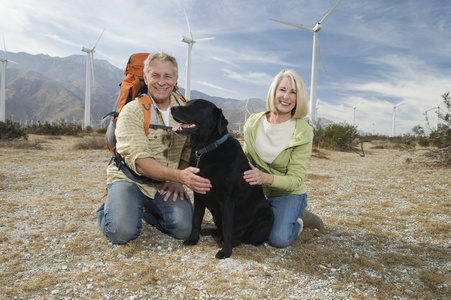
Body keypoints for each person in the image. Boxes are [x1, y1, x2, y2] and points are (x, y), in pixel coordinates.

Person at [97, 51, 212, 244]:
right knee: (121, 231)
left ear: (176, 79)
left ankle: (145, 209)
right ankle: (111, 207)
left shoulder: (185, 110)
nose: (161, 82)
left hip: (164, 184)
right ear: (146, 77)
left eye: (167, 76)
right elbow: (140, 163)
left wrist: (177, 181)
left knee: (184, 229)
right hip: (130, 179)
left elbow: (187, 151)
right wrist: (179, 176)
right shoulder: (132, 110)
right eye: (155, 75)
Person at [243, 69, 323, 248]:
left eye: (293, 92)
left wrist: (265, 178)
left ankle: (299, 219)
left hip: (287, 193)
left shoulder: (303, 132)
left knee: (277, 238)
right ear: (274, 91)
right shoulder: (253, 123)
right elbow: (244, 160)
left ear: (298, 98)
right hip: (257, 190)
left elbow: (295, 180)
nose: (286, 96)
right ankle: (279, 215)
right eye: (282, 90)